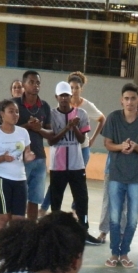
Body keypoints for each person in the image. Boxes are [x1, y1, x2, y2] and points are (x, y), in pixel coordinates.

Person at [101, 82, 138, 268]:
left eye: (133, 98)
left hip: (135, 178)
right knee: (114, 217)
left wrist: (135, 147)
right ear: (121, 100)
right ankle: (114, 253)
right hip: (116, 175)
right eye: (126, 99)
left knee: (132, 218)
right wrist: (120, 146)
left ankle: (124, 252)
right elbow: (107, 144)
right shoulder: (113, 118)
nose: (129, 102)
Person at [45, 81, 100, 244]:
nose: (64, 98)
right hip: (58, 165)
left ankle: (84, 231)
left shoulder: (81, 113)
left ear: (71, 96)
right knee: (56, 200)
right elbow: (51, 141)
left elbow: (82, 139)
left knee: (82, 199)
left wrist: (75, 127)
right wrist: (67, 127)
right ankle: (55, 232)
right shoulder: (51, 114)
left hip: (76, 165)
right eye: (61, 95)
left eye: (66, 95)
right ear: (56, 97)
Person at [0, 99, 36, 232]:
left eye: (17, 112)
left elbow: (26, 153)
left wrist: (28, 156)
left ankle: (15, 244)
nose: (15, 115)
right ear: (2, 114)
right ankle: (0, 244)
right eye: (11, 112)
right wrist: (2, 158)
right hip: (1, 179)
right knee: (3, 218)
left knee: (19, 219)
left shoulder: (23, 132)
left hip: (20, 179)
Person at [14, 70, 52, 221]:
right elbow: (7, 129)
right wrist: (27, 126)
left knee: (35, 199)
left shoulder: (44, 106)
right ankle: (17, 230)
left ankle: (31, 230)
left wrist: (39, 129)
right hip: (20, 158)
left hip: (39, 158)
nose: (35, 85)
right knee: (18, 198)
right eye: (31, 82)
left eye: (38, 83)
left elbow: (51, 133)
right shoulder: (15, 104)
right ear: (23, 84)